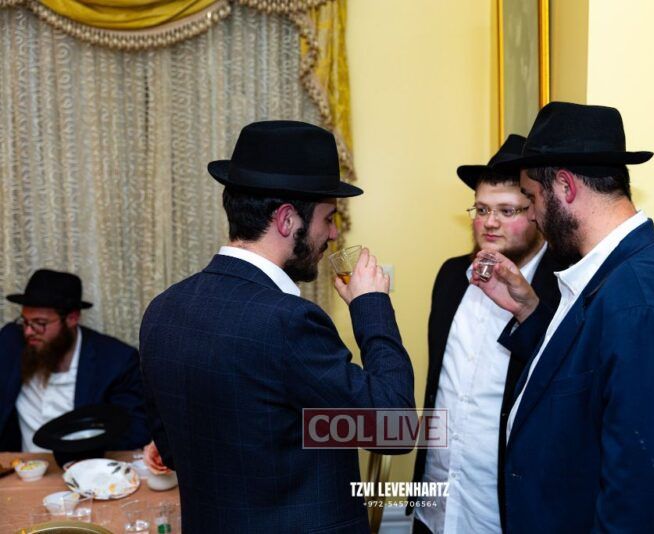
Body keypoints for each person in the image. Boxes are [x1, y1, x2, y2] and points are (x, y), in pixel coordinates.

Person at [139, 121, 415, 533]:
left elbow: (177, 447)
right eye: (328, 218)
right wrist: (372, 305)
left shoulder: (162, 310)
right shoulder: (289, 321)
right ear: (287, 220)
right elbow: (395, 427)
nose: (333, 233)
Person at [474, 102, 654, 532]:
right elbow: (585, 376)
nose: (532, 214)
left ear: (565, 186)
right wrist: (529, 311)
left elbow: (642, 496)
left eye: (532, 198)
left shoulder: (639, 296)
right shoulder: (608, 274)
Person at [409, 135, 564, 534]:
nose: (490, 222)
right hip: (436, 505)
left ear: (537, 212)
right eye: (481, 209)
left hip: (502, 513)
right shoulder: (450, 276)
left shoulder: (562, 289)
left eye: (506, 210)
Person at [0, 269, 149, 452]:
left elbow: (134, 432)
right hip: (22, 466)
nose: (28, 331)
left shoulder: (116, 361)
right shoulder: (10, 342)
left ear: (72, 318)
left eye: (40, 323)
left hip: (86, 464)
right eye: (25, 321)